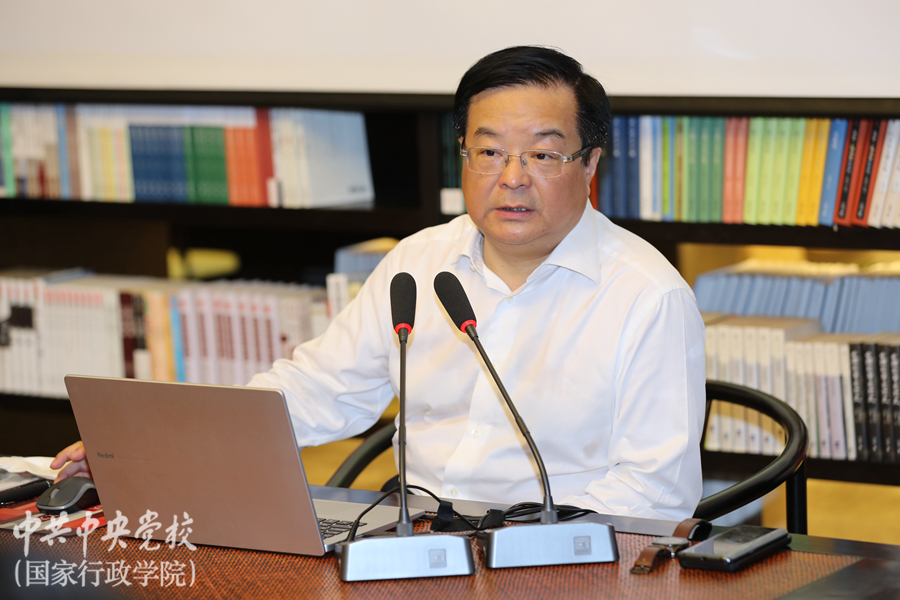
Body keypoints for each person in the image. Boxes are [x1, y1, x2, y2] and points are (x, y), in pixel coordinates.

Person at [52, 46, 706, 521]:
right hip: (410, 539)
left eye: (542, 153)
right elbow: (318, 390)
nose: (512, 176)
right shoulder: (419, 261)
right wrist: (154, 445)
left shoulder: (647, 295)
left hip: (557, 561)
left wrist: (520, 548)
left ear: (589, 163)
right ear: (463, 156)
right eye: (488, 151)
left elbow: (654, 491)